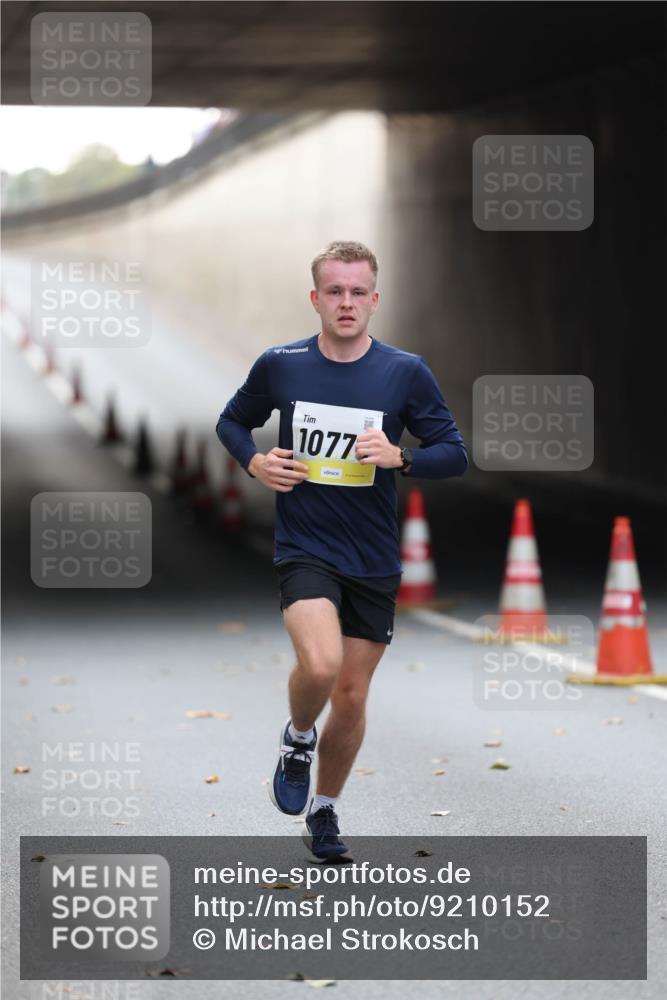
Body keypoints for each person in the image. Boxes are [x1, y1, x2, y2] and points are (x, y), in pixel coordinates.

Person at [216, 241, 467, 862]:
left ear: (375, 300)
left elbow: (455, 453)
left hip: (374, 556)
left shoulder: (405, 372)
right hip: (305, 546)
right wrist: (254, 461)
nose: (347, 302)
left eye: (358, 292)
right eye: (335, 291)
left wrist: (400, 456)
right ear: (316, 298)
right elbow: (231, 421)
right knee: (322, 666)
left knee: (352, 696)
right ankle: (298, 737)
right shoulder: (282, 364)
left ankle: (324, 812)